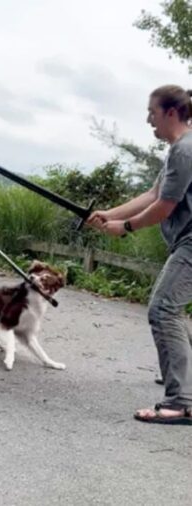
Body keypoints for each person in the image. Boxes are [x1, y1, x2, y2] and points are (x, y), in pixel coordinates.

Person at [88, 84, 192, 425]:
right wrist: (110, 214)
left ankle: (181, 401)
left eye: (152, 112)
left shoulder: (185, 150)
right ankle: (184, 385)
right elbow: (153, 193)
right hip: (185, 242)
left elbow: (164, 206)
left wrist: (127, 227)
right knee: (170, 310)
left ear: (171, 113)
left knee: (163, 309)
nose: (149, 120)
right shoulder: (179, 149)